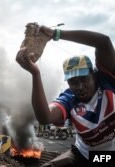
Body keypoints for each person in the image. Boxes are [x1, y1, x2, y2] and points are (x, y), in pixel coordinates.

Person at [16, 24, 115, 167]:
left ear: (94, 75)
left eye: (84, 79)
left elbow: (103, 42)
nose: (80, 86)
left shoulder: (107, 80)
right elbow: (45, 117)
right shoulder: (69, 99)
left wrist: (56, 33)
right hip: (82, 153)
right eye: (73, 82)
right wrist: (35, 74)